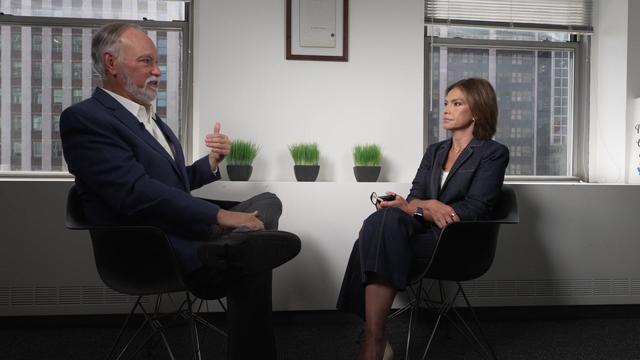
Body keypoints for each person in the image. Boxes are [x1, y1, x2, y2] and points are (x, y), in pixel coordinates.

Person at [60, 23, 300, 360]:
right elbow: (135, 193)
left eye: (157, 63)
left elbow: (170, 185)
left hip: (178, 224)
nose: (157, 71)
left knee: (266, 201)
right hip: (147, 246)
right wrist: (220, 214)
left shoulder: (151, 120)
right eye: (146, 61)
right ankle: (230, 251)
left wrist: (211, 163)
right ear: (111, 63)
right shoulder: (85, 119)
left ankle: (232, 249)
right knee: (251, 260)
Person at [336, 78, 509, 360]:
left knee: (371, 237)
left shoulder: (492, 153)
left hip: (455, 241)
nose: (446, 110)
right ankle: (376, 339)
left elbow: (474, 209)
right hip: (417, 231)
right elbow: (413, 197)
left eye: (456, 103)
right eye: (445, 103)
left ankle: (372, 338)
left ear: (477, 111)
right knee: (383, 220)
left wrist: (416, 208)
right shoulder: (435, 151)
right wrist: (426, 205)